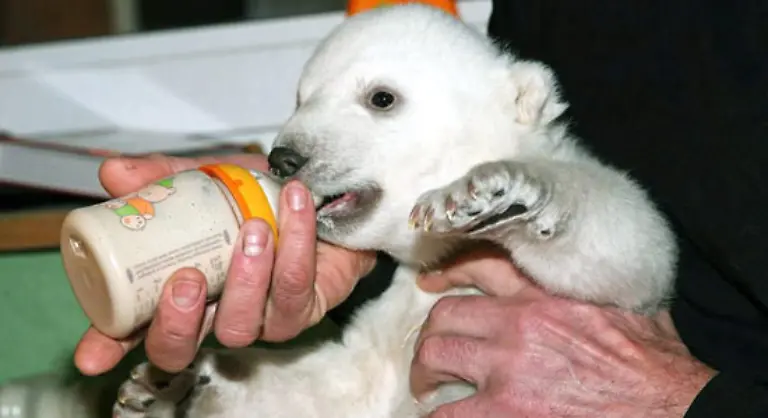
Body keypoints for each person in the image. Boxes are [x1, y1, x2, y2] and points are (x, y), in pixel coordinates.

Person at [73, 0, 768, 416]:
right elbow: (355, 396)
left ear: (519, 101)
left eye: (380, 101)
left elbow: (636, 262)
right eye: (304, 104)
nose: (293, 146)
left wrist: (690, 406)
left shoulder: (560, 173)